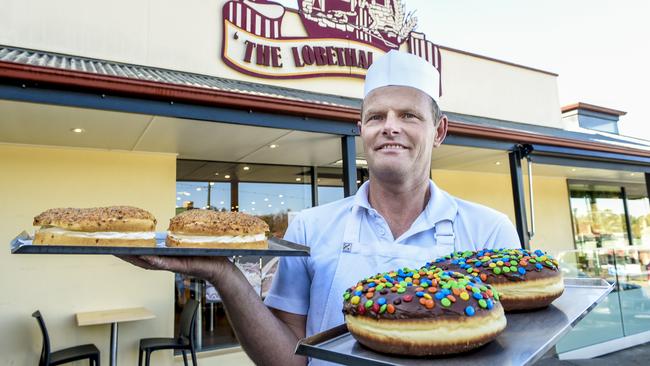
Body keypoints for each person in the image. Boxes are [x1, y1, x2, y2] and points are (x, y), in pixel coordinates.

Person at [121, 50, 521, 366]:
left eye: (409, 116)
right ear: (361, 129)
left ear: (440, 131)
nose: (390, 127)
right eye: (376, 116)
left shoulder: (489, 232)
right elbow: (288, 359)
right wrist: (221, 273)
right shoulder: (311, 228)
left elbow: (517, 351)